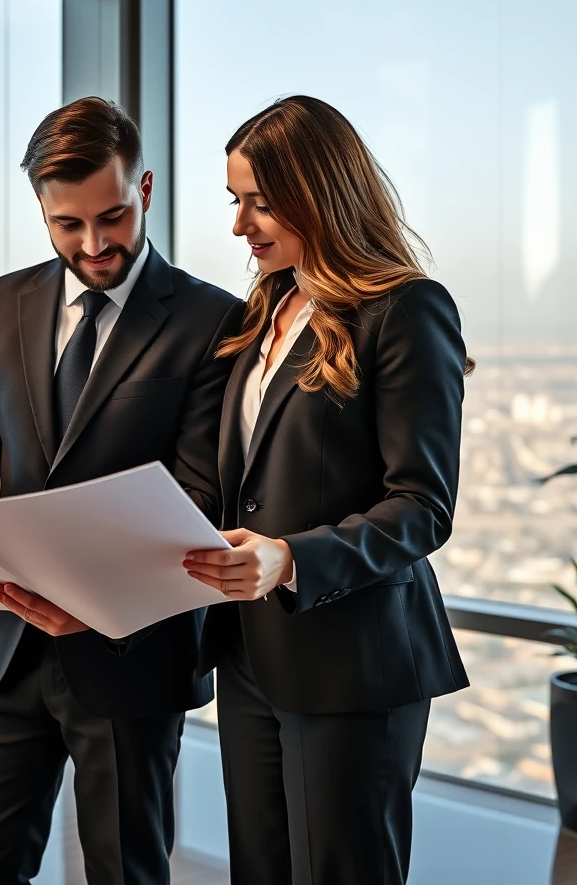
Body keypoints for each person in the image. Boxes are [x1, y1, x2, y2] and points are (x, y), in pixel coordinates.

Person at [0, 97, 243, 884]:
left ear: (145, 188)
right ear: (40, 208)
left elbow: (199, 500)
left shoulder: (213, 320)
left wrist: (96, 601)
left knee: (125, 873)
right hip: (3, 647)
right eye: (68, 224)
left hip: (130, 655)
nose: (94, 244)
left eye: (112, 216)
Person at [184, 96, 471, 885]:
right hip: (251, 654)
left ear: (318, 192)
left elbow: (422, 506)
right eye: (235, 201)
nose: (239, 226)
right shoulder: (264, 311)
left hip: (353, 661)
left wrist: (288, 558)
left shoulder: (406, 309)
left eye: (259, 202)